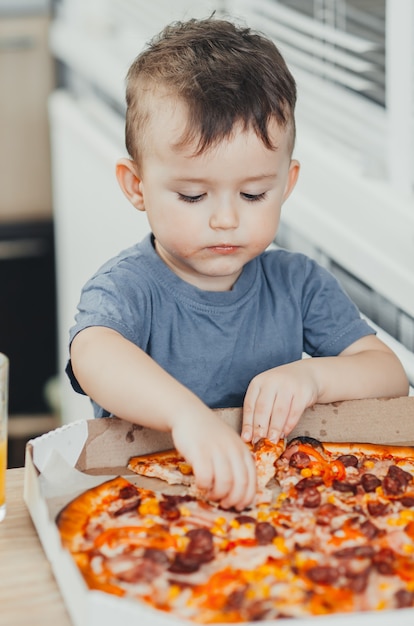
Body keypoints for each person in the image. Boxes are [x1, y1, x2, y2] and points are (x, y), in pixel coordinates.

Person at [67, 16, 409, 511]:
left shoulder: (299, 284)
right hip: (151, 505)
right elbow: (94, 354)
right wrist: (186, 417)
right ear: (136, 186)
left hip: (280, 513)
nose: (226, 219)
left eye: (253, 194)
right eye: (192, 195)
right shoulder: (127, 288)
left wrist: (312, 378)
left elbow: (389, 376)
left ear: (287, 184)